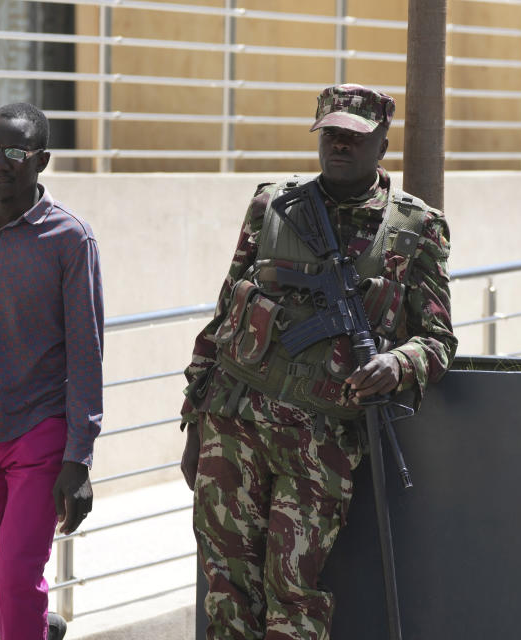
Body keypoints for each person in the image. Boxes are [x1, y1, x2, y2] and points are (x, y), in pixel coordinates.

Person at [179, 84, 457, 640]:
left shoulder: (414, 227)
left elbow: (438, 340)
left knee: (294, 592)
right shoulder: (272, 204)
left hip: (319, 440)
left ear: (382, 143)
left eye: (354, 137)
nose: (339, 145)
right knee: (226, 585)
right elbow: (224, 310)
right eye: (330, 133)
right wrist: (194, 420)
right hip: (232, 424)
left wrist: (396, 365)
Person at [0, 102, 103, 640]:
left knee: (16, 577)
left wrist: (79, 456)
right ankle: (36, 631)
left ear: (42, 159)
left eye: (14, 151)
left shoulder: (70, 238)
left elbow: (87, 351)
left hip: (39, 434)